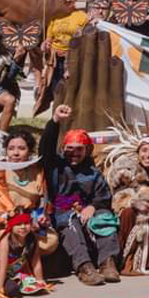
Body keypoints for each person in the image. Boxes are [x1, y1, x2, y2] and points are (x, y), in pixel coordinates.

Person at [42, 104, 120, 285]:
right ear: (63, 148)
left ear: (87, 150)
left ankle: (107, 263)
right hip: (62, 210)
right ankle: (84, 267)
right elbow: (45, 148)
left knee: (105, 218)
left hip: (88, 209)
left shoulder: (93, 172)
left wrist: (93, 207)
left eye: (79, 149)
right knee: (70, 223)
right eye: (70, 148)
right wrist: (55, 121)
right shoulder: (56, 166)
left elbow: (103, 196)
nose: (74, 153)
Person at [0, 128, 58, 257]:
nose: (15, 153)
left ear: (30, 152)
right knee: (9, 237)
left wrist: (41, 217)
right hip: (1, 226)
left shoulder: (37, 172)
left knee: (50, 240)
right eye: (11, 149)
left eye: (21, 149)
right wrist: (19, 222)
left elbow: (43, 204)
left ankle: (27, 261)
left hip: (29, 225)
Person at [102, 116, 149, 275]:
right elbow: (118, 196)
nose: (148, 155)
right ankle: (125, 258)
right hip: (131, 209)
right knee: (127, 213)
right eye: (144, 150)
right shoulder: (126, 170)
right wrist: (133, 202)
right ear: (138, 152)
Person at [0, 210, 52, 298]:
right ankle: (7, 286)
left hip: (17, 271)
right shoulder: (5, 242)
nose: (22, 227)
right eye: (18, 224)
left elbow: (36, 261)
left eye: (26, 223)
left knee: (35, 286)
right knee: (12, 290)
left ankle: (18, 283)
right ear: (11, 226)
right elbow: (2, 267)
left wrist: (40, 280)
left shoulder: (32, 239)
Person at [42, 0, 87, 107]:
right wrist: (46, 44)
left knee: (70, 89)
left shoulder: (82, 16)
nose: (68, 0)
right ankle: (56, 117)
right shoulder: (55, 16)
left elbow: (86, 37)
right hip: (55, 61)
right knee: (56, 89)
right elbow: (49, 38)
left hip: (73, 60)